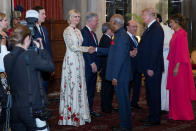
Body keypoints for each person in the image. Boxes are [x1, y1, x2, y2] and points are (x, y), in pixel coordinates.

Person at [4, 24, 55, 130]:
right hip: (32, 109)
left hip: (16, 109)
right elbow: (50, 67)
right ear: (27, 38)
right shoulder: (30, 55)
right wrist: (42, 49)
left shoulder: (7, 58)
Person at [58, 9, 94, 127]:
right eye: (75, 17)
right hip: (71, 61)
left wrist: (85, 49)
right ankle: (71, 117)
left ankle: (82, 114)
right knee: (72, 86)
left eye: (78, 17)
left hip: (79, 60)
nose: (77, 19)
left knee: (80, 86)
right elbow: (73, 47)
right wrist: (86, 48)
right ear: (70, 18)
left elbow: (79, 46)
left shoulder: (78, 31)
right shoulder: (67, 30)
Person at [137, 8, 164, 126]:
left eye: (143, 15)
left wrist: (151, 67)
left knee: (154, 93)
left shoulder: (156, 29)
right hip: (149, 67)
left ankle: (155, 119)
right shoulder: (150, 28)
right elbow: (146, 47)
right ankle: (152, 115)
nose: (142, 17)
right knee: (150, 93)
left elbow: (155, 50)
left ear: (150, 16)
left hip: (153, 68)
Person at [167, 14, 196, 120]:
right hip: (174, 64)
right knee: (174, 89)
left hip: (180, 66)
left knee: (180, 89)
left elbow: (182, 52)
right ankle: (174, 112)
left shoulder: (182, 34)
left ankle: (183, 114)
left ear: (177, 22)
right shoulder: (175, 34)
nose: (170, 24)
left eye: (171, 22)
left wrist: (176, 67)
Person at [106, 14, 133, 131]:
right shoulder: (120, 34)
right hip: (122, 74)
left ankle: (125, 126)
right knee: (123, 101)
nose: (109, 23)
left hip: (121, 75)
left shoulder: (121, 36)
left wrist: (115, 76)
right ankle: (125, 125)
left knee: (123, 102)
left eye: (111, 21)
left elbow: (120, 58)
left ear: (115, 23)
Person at [81, 12, 101, 117]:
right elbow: (85, 50)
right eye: (96, 20)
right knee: (87, 89)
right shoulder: (84, 32)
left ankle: (89, 110)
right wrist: (92, 63)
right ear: (90, 21)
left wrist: (97, 64)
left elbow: (95, 50)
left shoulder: (93, 33)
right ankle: (85, 112)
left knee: (92, 90)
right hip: (88, 67)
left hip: (93, 66)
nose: (97, 22)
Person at [33, 6, 53, 93]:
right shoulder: (31, 29)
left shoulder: (44, 29)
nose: (45, 16)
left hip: (46, 64)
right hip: (38, 65)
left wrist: (50, 63)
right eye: (43, 14)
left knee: (45, 90)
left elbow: (48, 48)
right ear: (36, 15)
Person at [156, 14, 174, 112]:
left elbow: (166, 45)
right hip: (165, 58)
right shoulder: (165, 29)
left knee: (163, 82)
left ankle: (163, 105)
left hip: (164, 57)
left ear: (157, 19)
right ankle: (164, 104)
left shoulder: (162, 29)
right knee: (164, 82)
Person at [99, 23, 114, 113]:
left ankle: (108, 106)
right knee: (106, 89)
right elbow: (107, 53)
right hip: (106, 68)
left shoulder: (108, 38)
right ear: (108, 30)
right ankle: (106, 107)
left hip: (108, 68)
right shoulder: (105, 39)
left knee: (109, 89)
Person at [126, 20, 142, 109]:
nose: (135, 28)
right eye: (133, 26)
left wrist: (137, 51)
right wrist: (129, 52)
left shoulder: (136, 38)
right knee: (128, 85)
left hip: (137, 65)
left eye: (136, 27)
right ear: (127, 27)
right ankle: (127, 103)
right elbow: (121, 50)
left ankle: (134, 102)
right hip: (129, 65)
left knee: (137, 85)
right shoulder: (124, 37)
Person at [0, 12, 9, 130]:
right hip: (2, 72)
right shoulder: (1, 37)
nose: (7, 22)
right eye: (5, 20)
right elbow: (2, 61)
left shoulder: (4, 34)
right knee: (4, 101)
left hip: (5, 73)